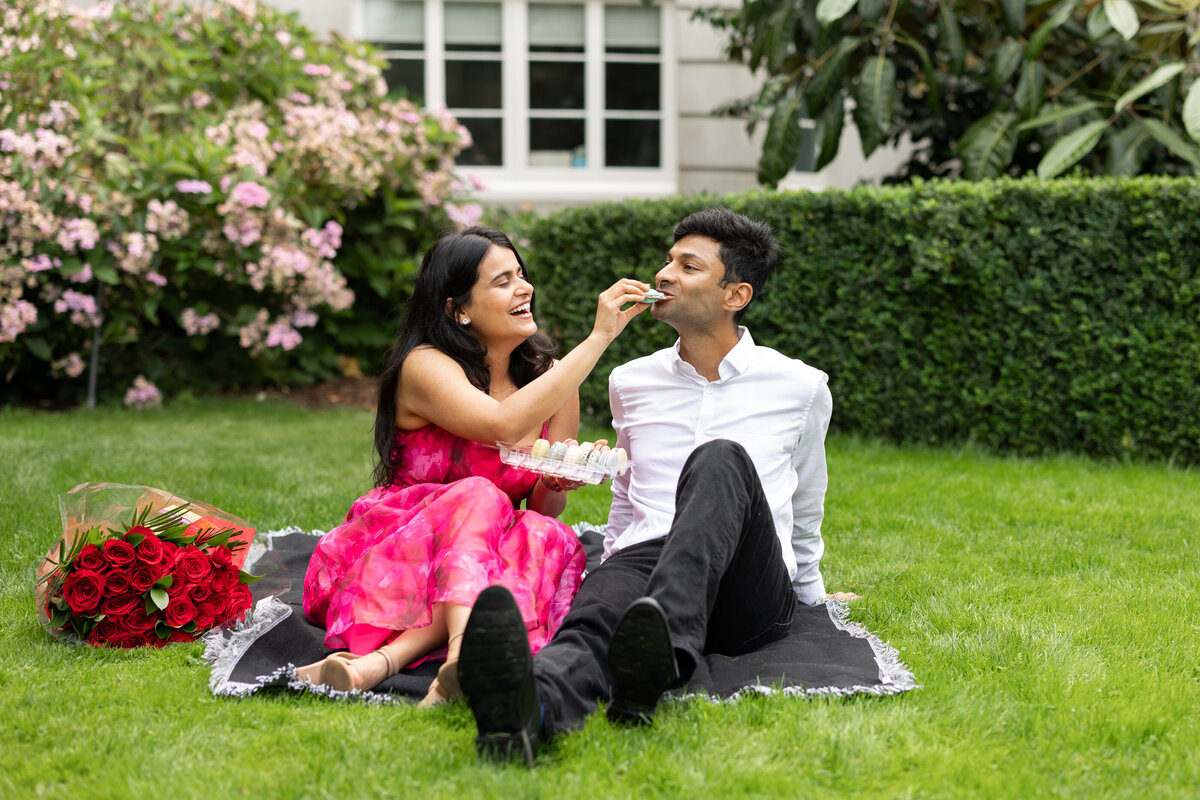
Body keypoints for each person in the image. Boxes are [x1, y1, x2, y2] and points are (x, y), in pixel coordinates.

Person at [456, 208, 834, 762]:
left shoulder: (800, 386)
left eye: (688, 265)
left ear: (736, 295)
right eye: (667, 260)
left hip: (747, 584)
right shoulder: (629, 381)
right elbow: (627, 497)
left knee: (720, 459)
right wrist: (609, 574)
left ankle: (665, 650)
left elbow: (805, 500)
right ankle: (527, 711)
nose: (664, 275)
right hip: (648, 559)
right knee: (591, 624)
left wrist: (812, 595)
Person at [298, 226, 652, 705]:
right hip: (396, 551)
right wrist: (599, 338)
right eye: (502, 281)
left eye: (521, 275)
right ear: (458, 309)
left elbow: (543, 510)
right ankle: (465, 655)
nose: (524, 287)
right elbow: (502, 425)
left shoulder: (551, 379)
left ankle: (380, 665)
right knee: (480, 493)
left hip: (481, 564)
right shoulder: (425, 365)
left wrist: (555, 480)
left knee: (548, 535)